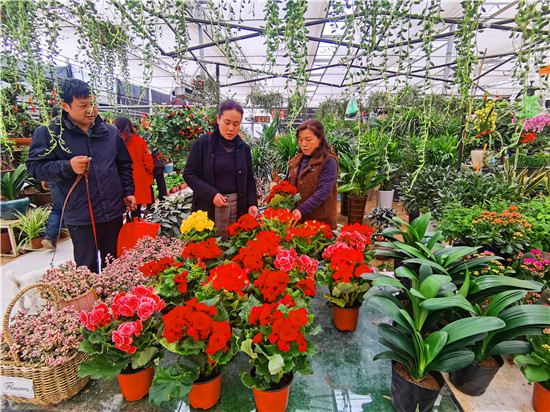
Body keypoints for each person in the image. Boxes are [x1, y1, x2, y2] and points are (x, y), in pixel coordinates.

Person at [27, 79, 136, 273]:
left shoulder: (110, 132)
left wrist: (128, 191)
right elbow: (36, 167)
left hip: (112, 211)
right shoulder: (50, 134)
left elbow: (124, 165)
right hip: (80, 215)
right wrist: (68, 166)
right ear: (65, 106)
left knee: (116, 265)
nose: (91, 110)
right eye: (83, 105)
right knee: (87, 268)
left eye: (93, 104)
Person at [183, 100, 258, 238]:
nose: (231, 128)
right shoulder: (202, 144)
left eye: (236, 124)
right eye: (227, 122)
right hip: (209, 206)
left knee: (234, 245)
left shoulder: (244, 149)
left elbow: (249, 180)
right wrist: (212, 194)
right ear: (218, 119)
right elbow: (189, 174)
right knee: (211, 246)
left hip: (237, 207)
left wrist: (252, 204)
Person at [287, 119, 339, 230]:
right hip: (297, 219)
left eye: (308, 140)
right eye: (300, 140)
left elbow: (323, 192)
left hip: (319, 223)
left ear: (320, 139)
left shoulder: (328, 162)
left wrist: (301, 210)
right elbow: (287, 184)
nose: (303, 144)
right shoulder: (296, 161)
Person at [114, 116, 154, 219]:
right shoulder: (139, 141)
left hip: (118, 180)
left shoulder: (114, 141)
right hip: (138, 180)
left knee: (119, 213)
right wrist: (148, 176)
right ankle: (136, 226)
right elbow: (148, 161)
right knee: (136, 210)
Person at [141, 115, 167, 204]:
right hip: (160, 161)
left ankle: (150, 205)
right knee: (161, 183)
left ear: (147, 123)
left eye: (142, 123)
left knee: (149, 185)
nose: (141, 125)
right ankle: (163, 203)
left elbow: (145, 150)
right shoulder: (157, 133)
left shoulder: (147, 135)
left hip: (152, 163)